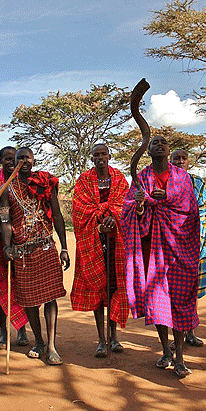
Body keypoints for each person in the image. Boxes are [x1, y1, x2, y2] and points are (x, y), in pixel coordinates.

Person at [121, 135, 200, 379]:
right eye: (154, 142)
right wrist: (142, 206)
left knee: (179, 299)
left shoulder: (182, 178)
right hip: (152, 247)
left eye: (163, 142)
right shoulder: (141, 178)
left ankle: (180, 358)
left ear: (167, 150)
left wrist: (163, 199)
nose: (159, 145)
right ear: (148, 150)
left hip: (179, 245)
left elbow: (190, 209)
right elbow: (128, 209)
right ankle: (166, 351)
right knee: (158, 298)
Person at [0, 147, 70, 365]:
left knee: (50, 297)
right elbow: (5, 221)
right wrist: (8, 246)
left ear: (33, 160)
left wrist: (65, 247)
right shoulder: (6, 190)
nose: (23, 161)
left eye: (27, 158)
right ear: (14, 162)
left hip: (46, 246)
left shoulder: (45, 183)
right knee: (29, 300)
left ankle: (51, 346)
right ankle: (38, 341)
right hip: (22, 250)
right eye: (19, 158)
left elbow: (56, 214)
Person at [71, 144, 129, 357]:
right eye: (96, 154)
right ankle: (101, 339)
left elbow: (126, 206)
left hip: (116, 242)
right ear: (92, 158)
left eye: (103, 154)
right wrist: (98, 223)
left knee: (114, 287)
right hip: (93, 241)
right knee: (98, 288)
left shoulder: (120, 178)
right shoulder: (84, 181)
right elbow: (79, 210)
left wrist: (113, 218)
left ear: (109, 156)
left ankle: (114, 338)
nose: (100, 157)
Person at [169, 149, 206, 348]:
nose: (180, 161)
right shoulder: (164, 182)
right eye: (176, 159)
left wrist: (190, 234)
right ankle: (176, 336)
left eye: (183, 158)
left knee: (192, 289)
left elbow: (205, 211)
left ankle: (190, 331)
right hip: (171, 244)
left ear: (188, 161)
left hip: (197, 242)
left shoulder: (197, 182)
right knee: (173, 292)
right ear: (170, 161)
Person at [0, 146, 30, 349]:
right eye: (8, 159)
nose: (12, 163)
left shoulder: (26, 179)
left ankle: (22, 330)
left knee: (21, 288)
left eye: (15, 159)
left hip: (22, 238)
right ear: (0, 160)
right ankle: (3, 332)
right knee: (1, 288)